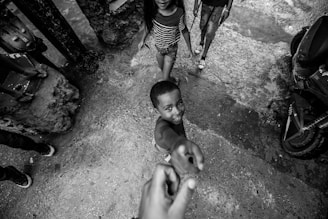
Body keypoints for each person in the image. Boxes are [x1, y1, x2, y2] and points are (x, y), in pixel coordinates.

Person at [150, 81, 204, 176]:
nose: (177, 111)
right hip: (165, 146)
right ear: (157, 110)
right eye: (168, 108)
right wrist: (178, 143)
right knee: (170, 154)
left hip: (175, 138)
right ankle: (168, 157)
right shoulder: (161, 129)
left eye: (179, 103)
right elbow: (165, 134)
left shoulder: (173, 117)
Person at [139, 0, 194, 83]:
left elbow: (184, 30)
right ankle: (173, 80)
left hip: (171, 51)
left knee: (164, 79)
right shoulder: (153, 10)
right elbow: (148, 25)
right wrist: (142, 40)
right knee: (163, 71)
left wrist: (189, 49)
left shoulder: (178, 13)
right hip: (159, 49)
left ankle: (168, 81)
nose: (162, 0)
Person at [193, 0, 233, 69]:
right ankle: (201, 43)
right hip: (206, 3)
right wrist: (196, 4)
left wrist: (228, 9)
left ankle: (203, 57)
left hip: (219, 6)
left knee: (210, 31)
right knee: (203, 25)